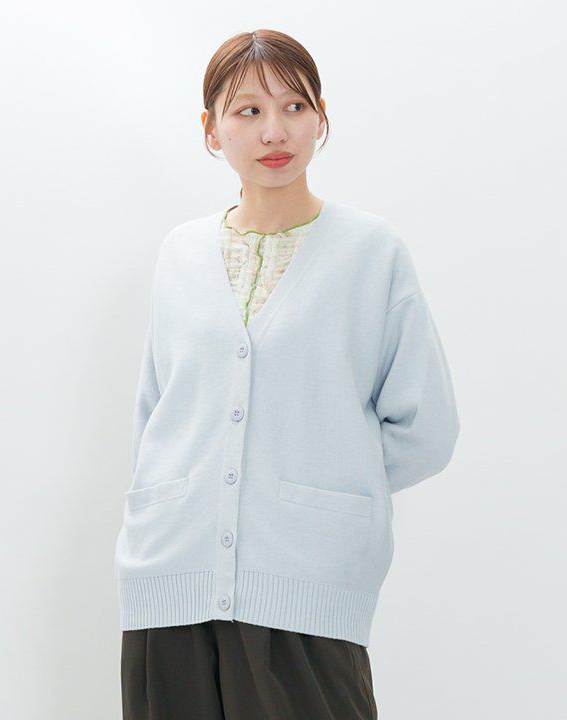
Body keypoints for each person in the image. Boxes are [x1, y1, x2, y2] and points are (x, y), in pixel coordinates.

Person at [116, 28, 460, 720]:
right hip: (169, 578)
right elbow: (157, 417)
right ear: (211, 129)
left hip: (309, 583)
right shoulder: (180, 253)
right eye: (248, 111)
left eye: (294, 107)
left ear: (320, 117)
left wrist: (321, 485)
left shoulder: (370, 253)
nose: (274, 130)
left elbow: (427, 430)